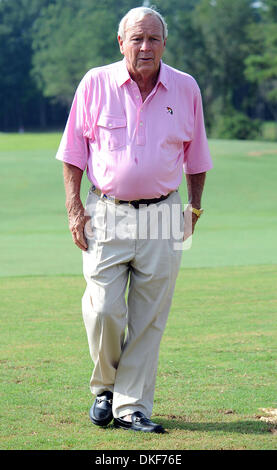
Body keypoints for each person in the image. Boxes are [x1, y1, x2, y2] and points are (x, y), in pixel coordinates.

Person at [56, 6, 213, 434]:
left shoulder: (185, 88)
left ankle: (131, 407)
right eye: (137, 39)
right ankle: (106, 387)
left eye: (154, 39)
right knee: (104, 309)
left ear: (165, 43)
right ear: (120, 41)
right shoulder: (95, 82)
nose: (146, 47)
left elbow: (196, 157)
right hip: (106, 211)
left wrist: (193, 209)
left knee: (149, 317)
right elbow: (73, 154)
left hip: (164, 213)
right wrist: (74, 211)